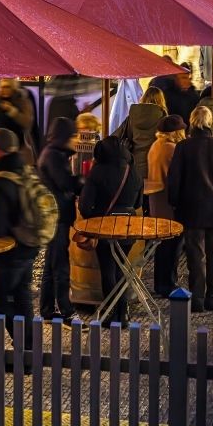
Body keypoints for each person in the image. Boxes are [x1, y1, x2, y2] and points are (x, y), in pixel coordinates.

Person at [166, 106, 213, 311]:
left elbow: (174, 179)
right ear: (209, 122)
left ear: (192, 121)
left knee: (195, 253)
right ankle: (212, 297)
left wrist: (174, 202)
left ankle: (196, 299)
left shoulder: (183, 147)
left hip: (190, 207)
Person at [0, 128, 39, 345]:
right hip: (30, 244)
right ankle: (29, 349)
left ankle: (22, 346)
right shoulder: (24, 169)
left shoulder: (0, 180)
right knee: (22, 296)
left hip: (11, 251)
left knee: (1, 300)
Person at [79, 136, 142, 325]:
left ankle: (111, 312)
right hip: (129, 228)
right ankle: (123, 313)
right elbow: (139, 203)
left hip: (105, 227)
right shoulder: (134, 171)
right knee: (122, 268)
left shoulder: (98, 171)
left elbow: (84, 205)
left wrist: (93, 219)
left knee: (108, 268)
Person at [36, 118, 82, 321]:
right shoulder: (54, 156)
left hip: (54, 215)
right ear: (64, 136)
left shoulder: (54, 153)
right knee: (60, 265)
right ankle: (67, 312)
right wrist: (82, 180)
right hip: (57, 216)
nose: (77, 139)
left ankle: (46, 309)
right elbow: (65, 183)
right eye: (74, 135)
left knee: (51, 264)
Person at [146, 115, 186, 296]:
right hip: (170, 204)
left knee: (162, 246)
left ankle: (160, 282)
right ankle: (167, 284)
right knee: (173, 246)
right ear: (176, 132)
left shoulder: (155, 146)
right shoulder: (173, 149)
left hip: (156, 201)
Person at [112, 86, 167, 186]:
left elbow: (115, 136)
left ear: (144, 97)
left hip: (134, 167)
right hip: (155, 167)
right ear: (161, 100)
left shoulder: (132, 117)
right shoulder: (163, 118)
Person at [0, 78, 36, 160]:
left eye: (7, 87)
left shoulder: (21, 100)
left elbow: (27, 122)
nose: (4, 90)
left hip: (19, 145)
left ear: (13, 87)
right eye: (2, 87)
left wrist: (12, 110)